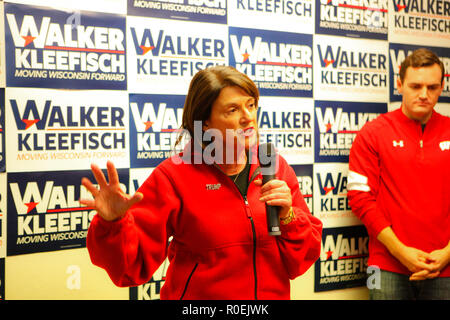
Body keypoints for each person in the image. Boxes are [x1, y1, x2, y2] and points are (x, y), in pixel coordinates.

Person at [81, 66, 322, 300]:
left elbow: (302, 260)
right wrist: (113, 224)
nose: (248, 117)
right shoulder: (173, 176)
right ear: (205, 123)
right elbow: (130, 269)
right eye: (232, 110)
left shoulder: (275, 166)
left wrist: (289, 216)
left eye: (251, 105)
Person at [348, 48, 450, 299]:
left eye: (432, 87)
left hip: (445, 267)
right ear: (399, 84)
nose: (424, 95)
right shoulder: (373, 133)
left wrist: (447, 253)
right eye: (415, 86)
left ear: (442, 86)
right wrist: (401, 252)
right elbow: (360, 200)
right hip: (385, 266)